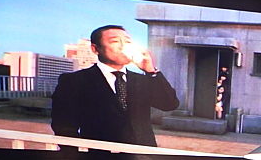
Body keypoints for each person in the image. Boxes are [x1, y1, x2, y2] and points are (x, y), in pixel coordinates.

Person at [50, 25, 179, 147]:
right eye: (115, 41)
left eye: (127, 42)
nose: (123, 47)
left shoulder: (142, 80)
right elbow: (63, 125)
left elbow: (169, 104)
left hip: (142, 155)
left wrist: (151, 71)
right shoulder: (75, 81)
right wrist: (76, 157)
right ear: (95, 49)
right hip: (99, 156)